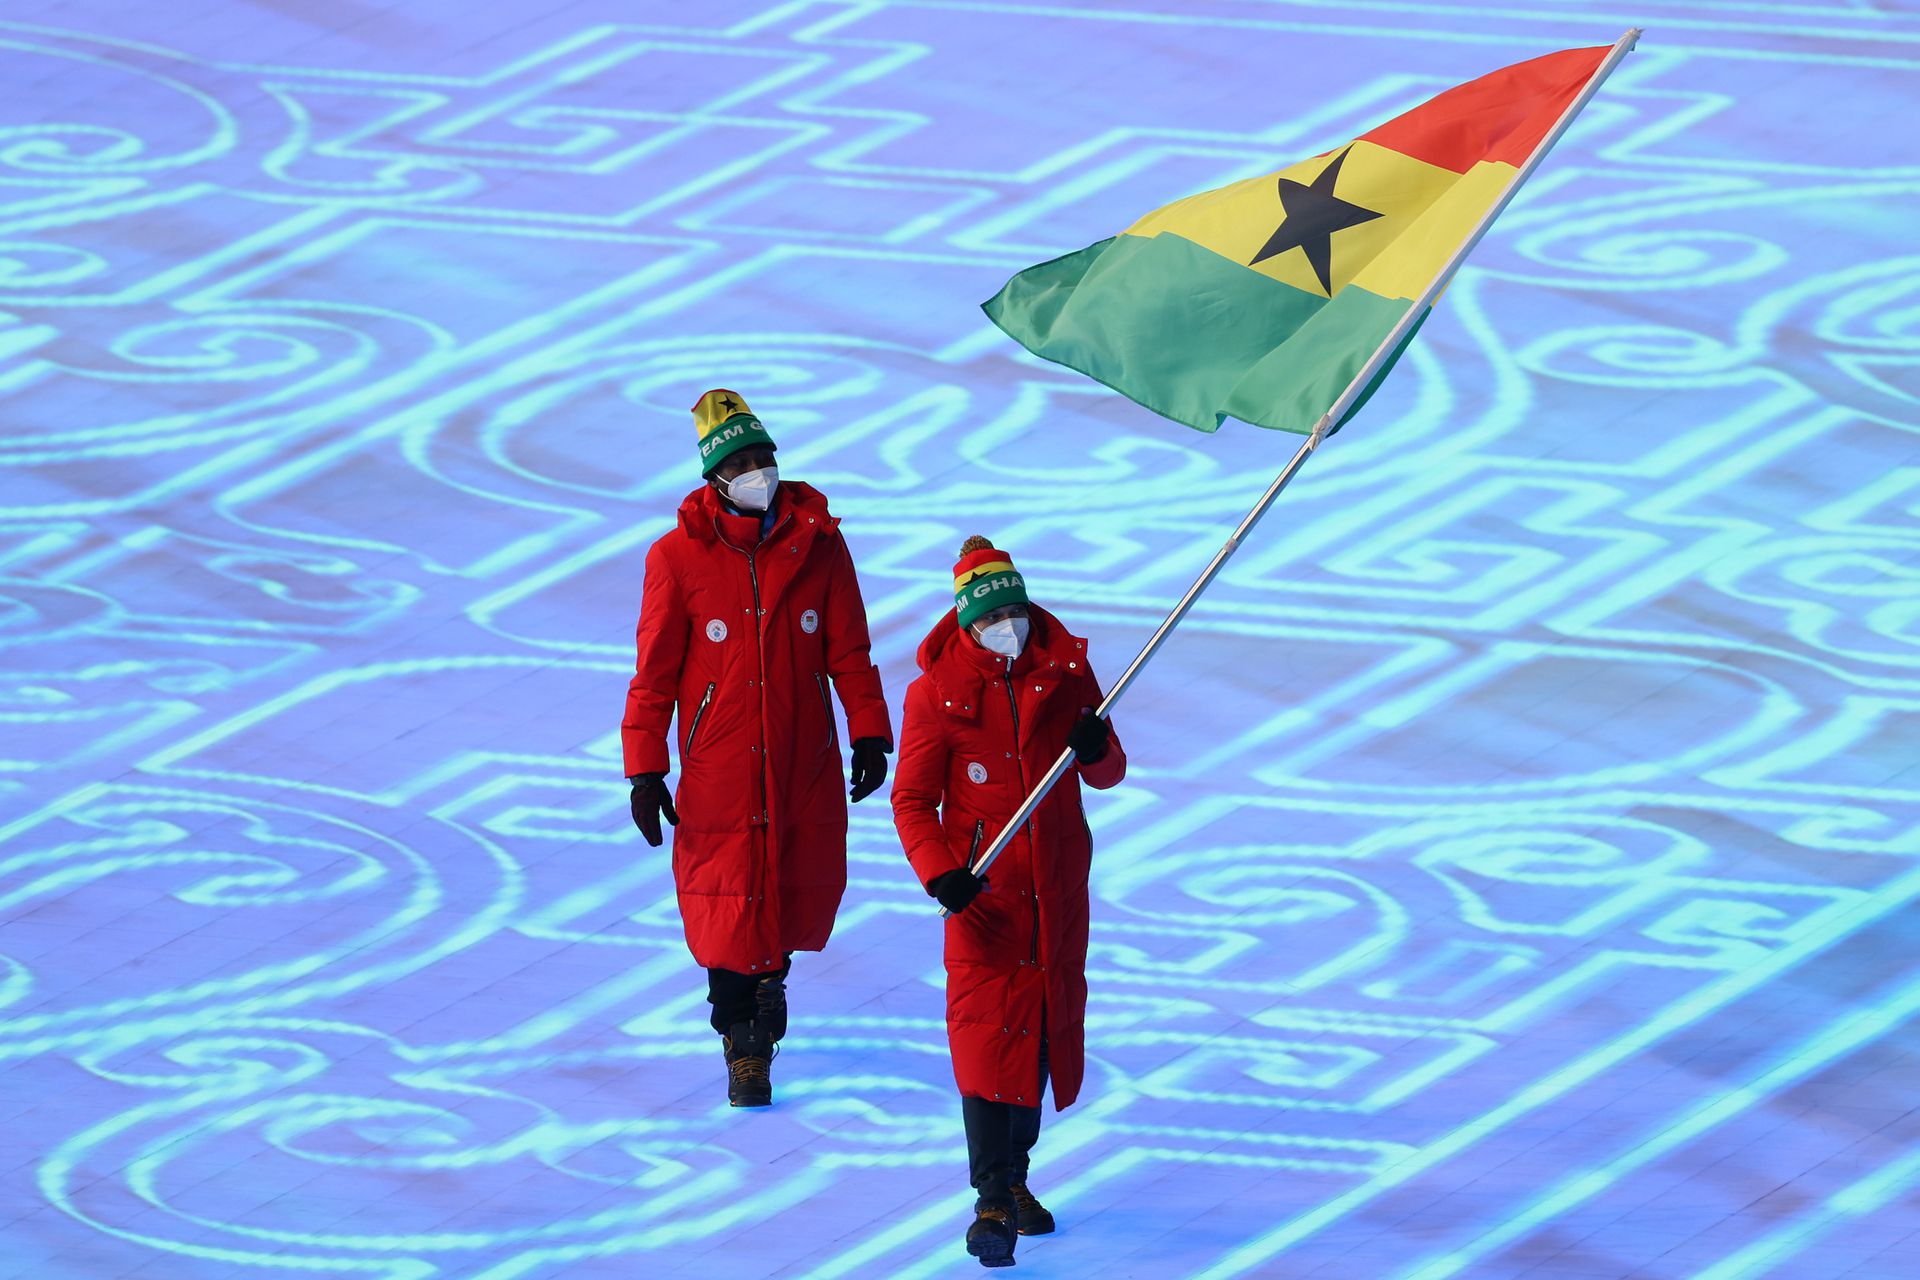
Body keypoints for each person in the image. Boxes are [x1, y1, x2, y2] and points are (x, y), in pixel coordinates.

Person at [623, 388, 892, 1107]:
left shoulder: (821, 545)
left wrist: (869, 728)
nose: (757, 473)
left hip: (803, 756)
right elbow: (653, 676)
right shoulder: (677, 559)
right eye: (740, 463)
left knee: (790, 884)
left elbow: (851, 650)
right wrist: (645, 768)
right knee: (725, 902)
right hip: (721, 764)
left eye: (763, 459)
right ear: (714, 477)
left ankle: (770, 982)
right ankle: (742, 1040)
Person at [891, 536, 1126, 1268]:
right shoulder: (936, 694)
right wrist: (941, 874)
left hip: (1054, 894)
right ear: (969, 623)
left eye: (1018, 612)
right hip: (984, 901)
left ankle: (1015, 1178)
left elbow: (1110, 773)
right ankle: (991, 1200)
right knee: (986, 1037)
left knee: (1041, 1038)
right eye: (996, 618)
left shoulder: (1066, 672)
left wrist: (1094, 745)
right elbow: (913, 800)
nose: (1011, 627)